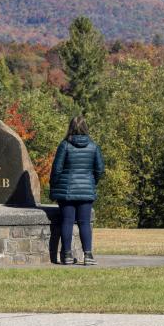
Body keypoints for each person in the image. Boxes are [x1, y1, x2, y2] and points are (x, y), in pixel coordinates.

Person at [48, 114, 105, 265]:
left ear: (70, 128)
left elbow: (57, 169)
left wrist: (53, 186)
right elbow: (99, 169)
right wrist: (92, 183)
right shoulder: (93, 146)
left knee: (67, 221)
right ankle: (88, 255)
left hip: (66, 191)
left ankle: (66, 254)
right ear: (86, 128)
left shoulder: (65, 145)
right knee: (84, 223)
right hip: (86, 191)